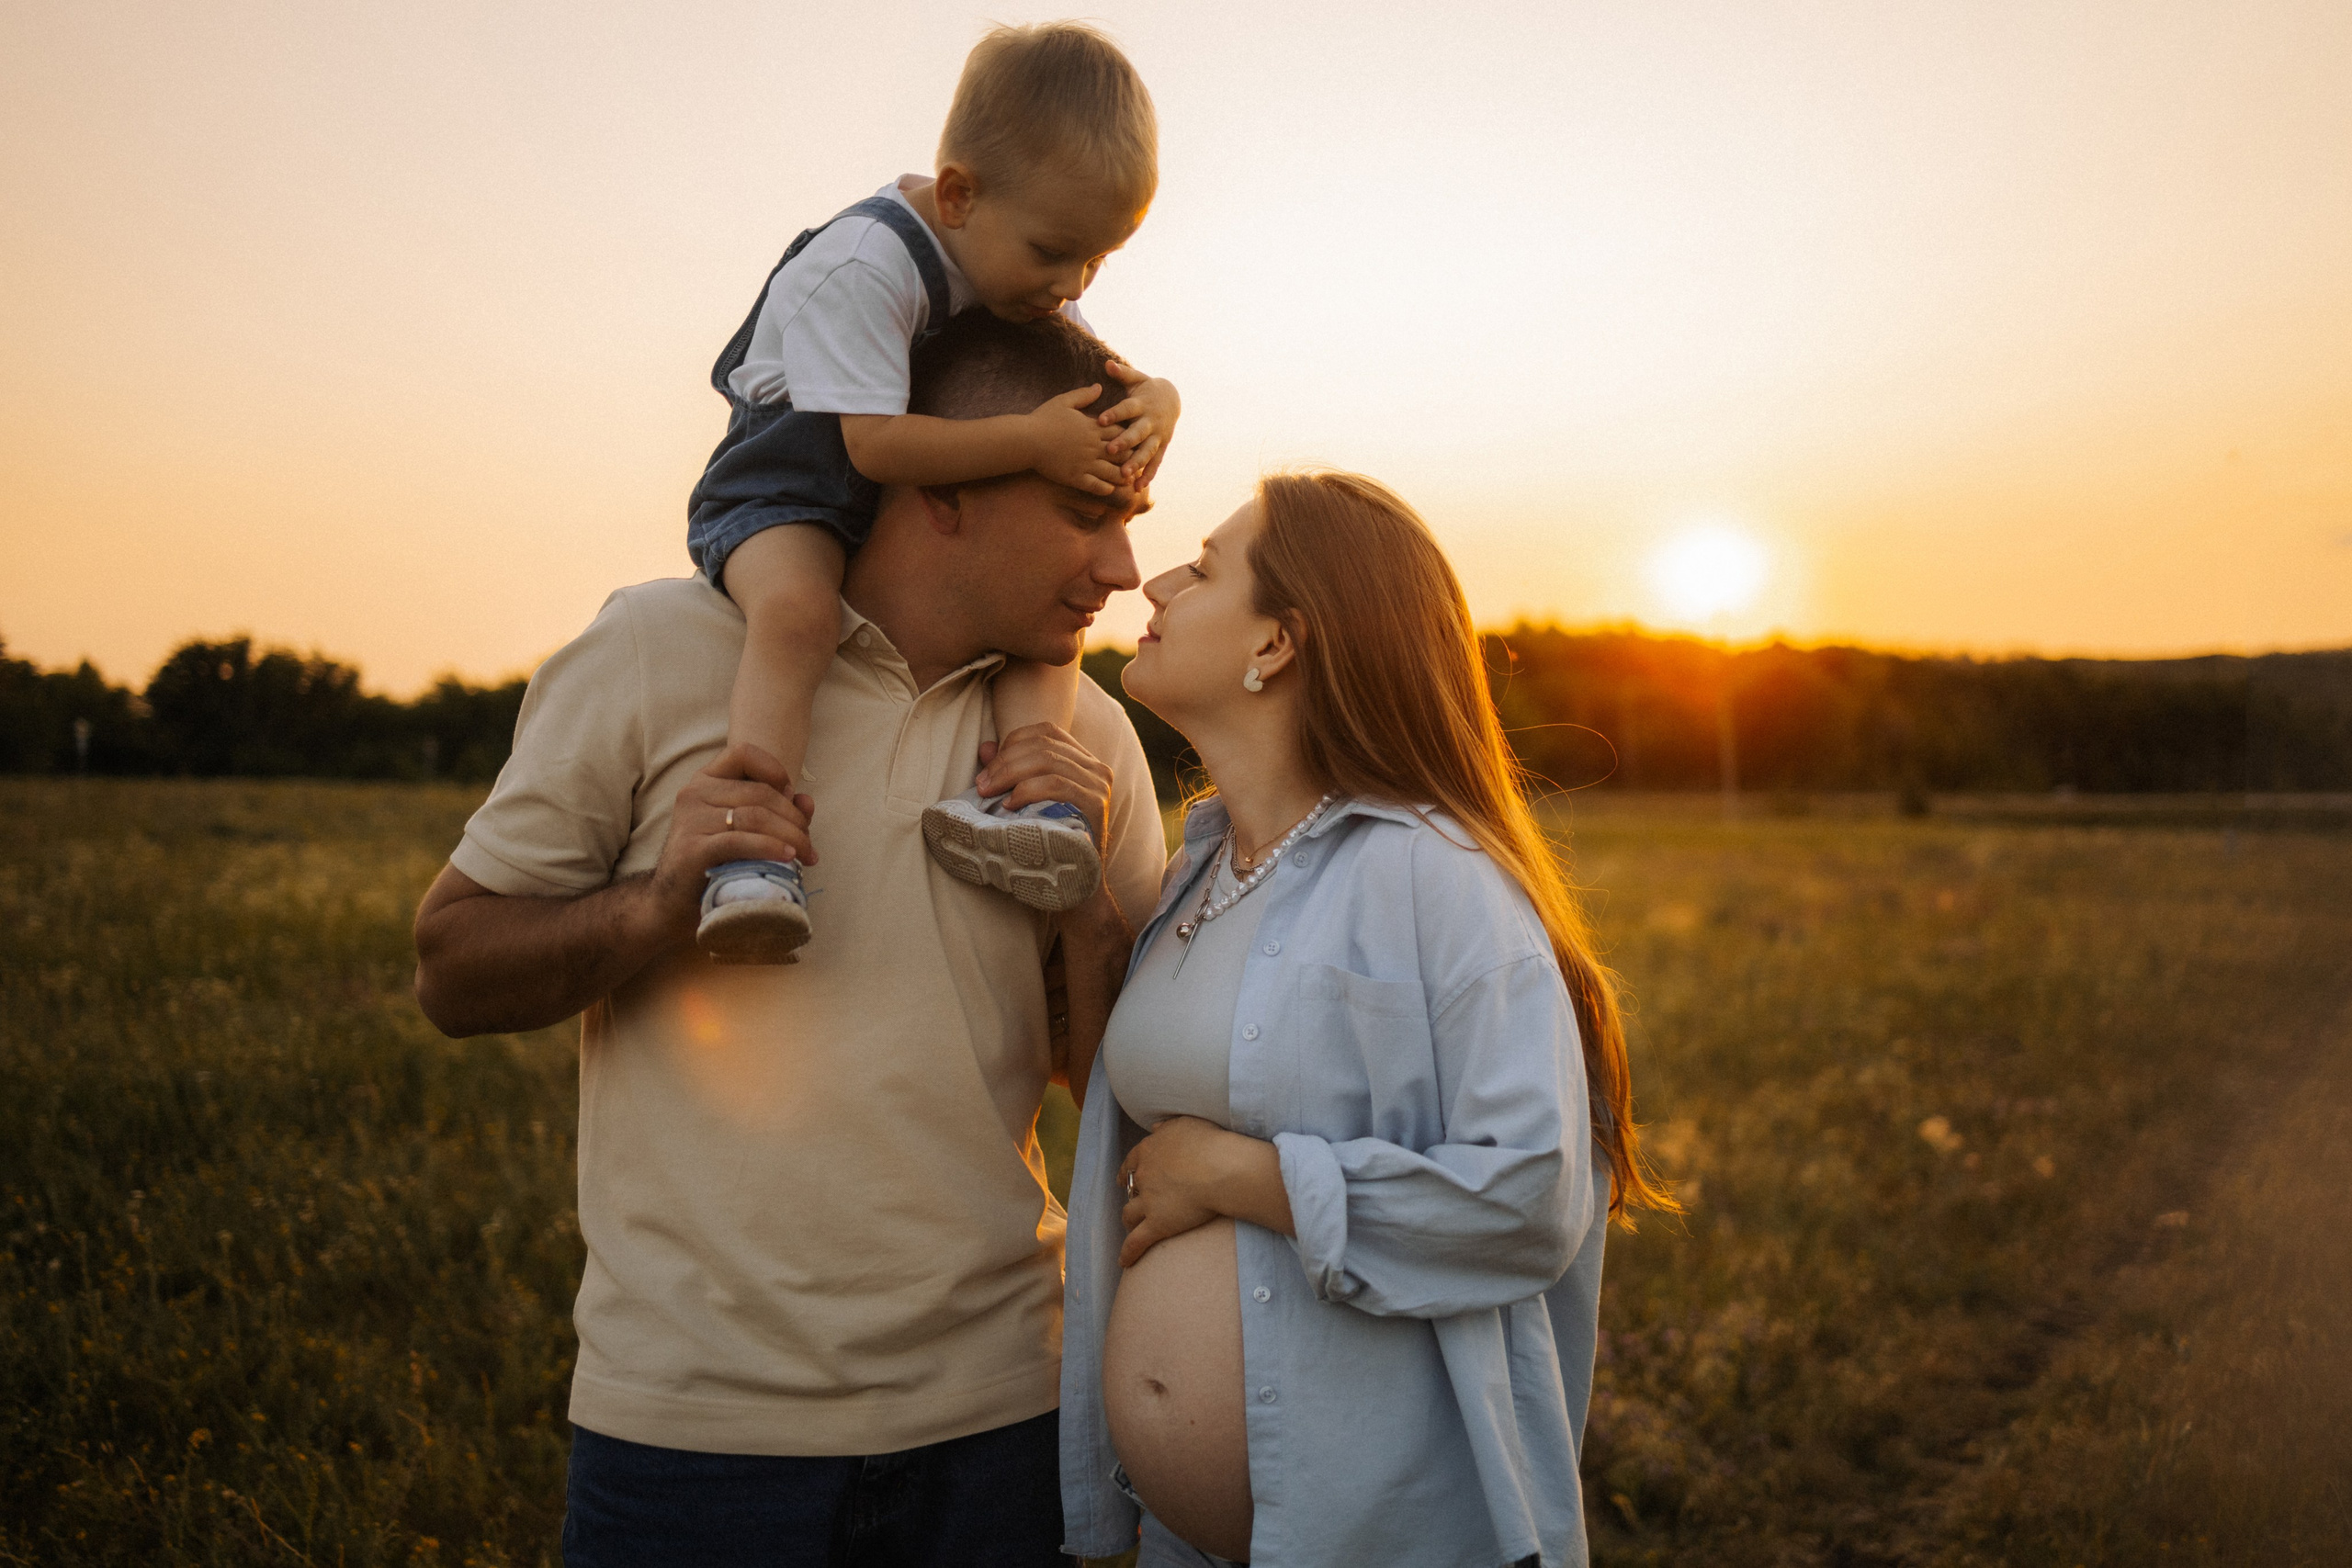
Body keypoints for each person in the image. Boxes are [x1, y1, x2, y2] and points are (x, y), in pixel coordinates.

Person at [412, 310, 1165, 1566]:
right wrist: (658, 905)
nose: (1126, 566)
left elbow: (1115, 1095)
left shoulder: (1087, 736)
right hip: (692, 1439)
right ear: (941, 488)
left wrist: (1086, 903)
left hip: (1004, 1421)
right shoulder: (658, 650)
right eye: (1091, 513)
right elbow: (450, 969)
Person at [1056, 472, 1679, 1567]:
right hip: (1187, 1544)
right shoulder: (1200, 871)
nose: (1154, 578)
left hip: (1385, 1530)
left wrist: (1244, 1178)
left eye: (1202, 567)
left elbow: (1534, 1196)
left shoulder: (1434, 876)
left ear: (1281, 643)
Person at [685, 20, 1182, 964]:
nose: (1070, 283)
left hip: (912, 464)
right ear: (956, 196)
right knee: (795, 615)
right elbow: (869, 447)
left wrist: (1161, 396)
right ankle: (750, 847)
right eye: (1055, 254)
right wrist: (1034, 440)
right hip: (788, 469)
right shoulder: (865, 263)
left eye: (1096, 262)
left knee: (1044, 629)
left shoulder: (1020, 255)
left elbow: (1091, 364)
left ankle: (1032, 808)